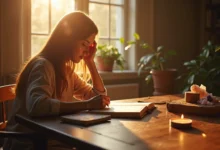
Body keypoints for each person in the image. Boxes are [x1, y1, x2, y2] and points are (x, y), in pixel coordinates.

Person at [3, 11, 110, 150]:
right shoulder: (43, 65)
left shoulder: (66, 71)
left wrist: (90, 62)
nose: (87, 50)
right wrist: (86, 105)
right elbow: (37, 106)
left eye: (89, 46)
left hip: (51, 140)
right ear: (69, 39)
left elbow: (98, 98)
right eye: (84, 44)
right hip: (29, 143)